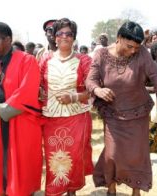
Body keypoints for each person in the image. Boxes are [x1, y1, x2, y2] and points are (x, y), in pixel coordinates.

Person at [85, 21, 157, 196]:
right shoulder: (101, 54)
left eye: (136, 47)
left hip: (138, 114)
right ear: (119, 38)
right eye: (129, 46)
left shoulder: (142, 53)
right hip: (113, 115)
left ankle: (136, 191)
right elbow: (90, 80)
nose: (133, 51)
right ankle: (111, 189)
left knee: (137, 156)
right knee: (112, 155)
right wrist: (98, 90)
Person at [0, 22, 44, 195]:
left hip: (21, 123)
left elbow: (27, 91)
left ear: (8, 40)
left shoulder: (27, 60)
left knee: (21, 164)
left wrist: (3, 110)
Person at [39, 17, 93, 196]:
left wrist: (73, 96)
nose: (64, 37)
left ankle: (72, 192)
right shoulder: (45, 60)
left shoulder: (84, 60)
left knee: (74, 157)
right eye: (60, 33)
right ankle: (56, 191)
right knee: (54, 157)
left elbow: (92, 90)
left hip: (76, 117)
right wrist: (39, 93)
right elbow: (36, 85)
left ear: (74, 38)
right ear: (54, 37)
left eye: (69, 34)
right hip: (51, 118)